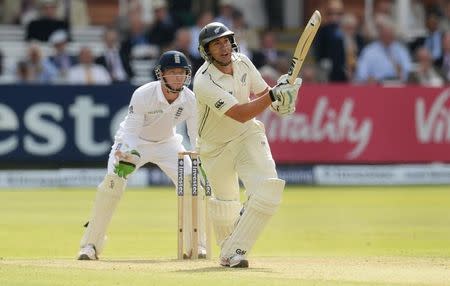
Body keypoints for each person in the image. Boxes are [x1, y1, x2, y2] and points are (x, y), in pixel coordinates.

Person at [78, 51, 206, 260]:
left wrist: (201, 158)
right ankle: (90, 246)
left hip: (168, 144)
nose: (178, 77)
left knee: (193, 183)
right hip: (135, 142)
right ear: (161, 75)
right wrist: (128, 153)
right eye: (172, 72)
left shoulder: (190, 99)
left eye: (182, 73)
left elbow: (195, 135)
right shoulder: (143, 94)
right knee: (112, 184)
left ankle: (197, 245)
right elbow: (131, 133)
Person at [193, 22, 302, 268]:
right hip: (214, 147)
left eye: (225, 41)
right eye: (216, 44)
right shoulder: (203, 81)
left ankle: (234, 252)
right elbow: (240, 112)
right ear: (206, 51)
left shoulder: (242, 62)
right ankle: (229, 251)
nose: (223, 47)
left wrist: (283, 99)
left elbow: (264, 94)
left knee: (269, 190)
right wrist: (274, 95)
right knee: (225, 205)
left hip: (246, 135)